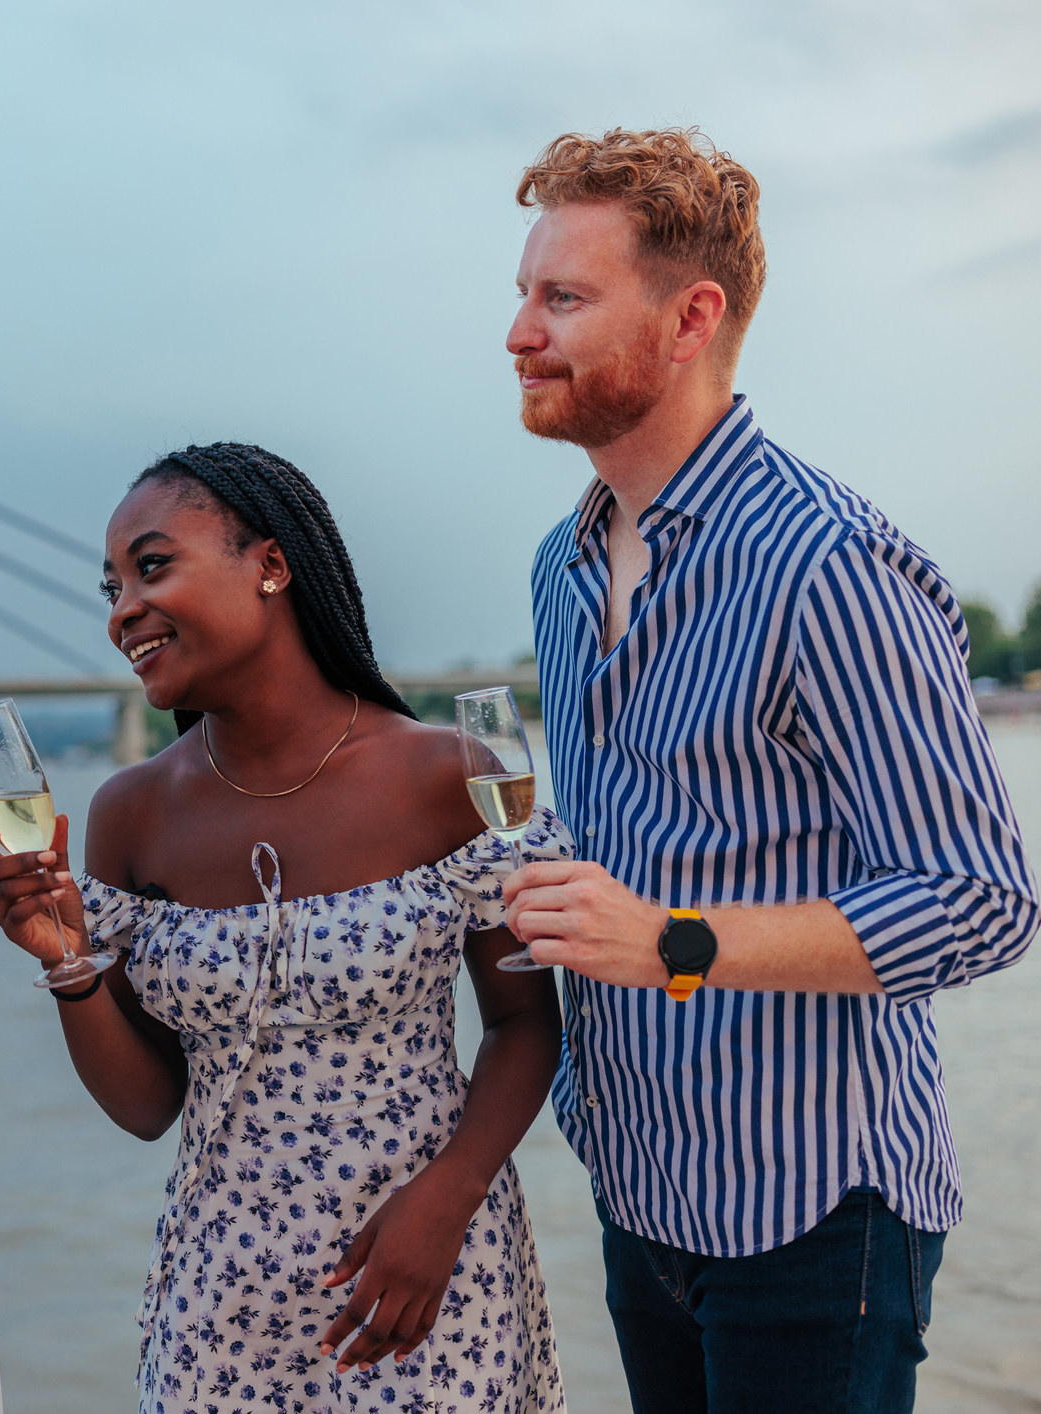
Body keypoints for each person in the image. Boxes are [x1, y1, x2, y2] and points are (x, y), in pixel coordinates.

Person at [501, 127, 1037, 1413]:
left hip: (815, 1214)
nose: (518, 330)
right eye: (521, 294)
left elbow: (979, 899)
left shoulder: (827, 564)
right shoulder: (559, 568)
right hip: (640, 1188)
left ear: (690, 319)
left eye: (561, 297)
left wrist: (673, 941)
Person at [0, 443, 571, 1413]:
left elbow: (521, 1021)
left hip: (421, 1279)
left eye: (152, 566)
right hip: (222, 1306)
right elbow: (145, 1106)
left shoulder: (446, 775)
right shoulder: (132, 811)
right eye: (111, 585)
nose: (121, 606)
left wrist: (447, 1197)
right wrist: (64, 960)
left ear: (270, 564)